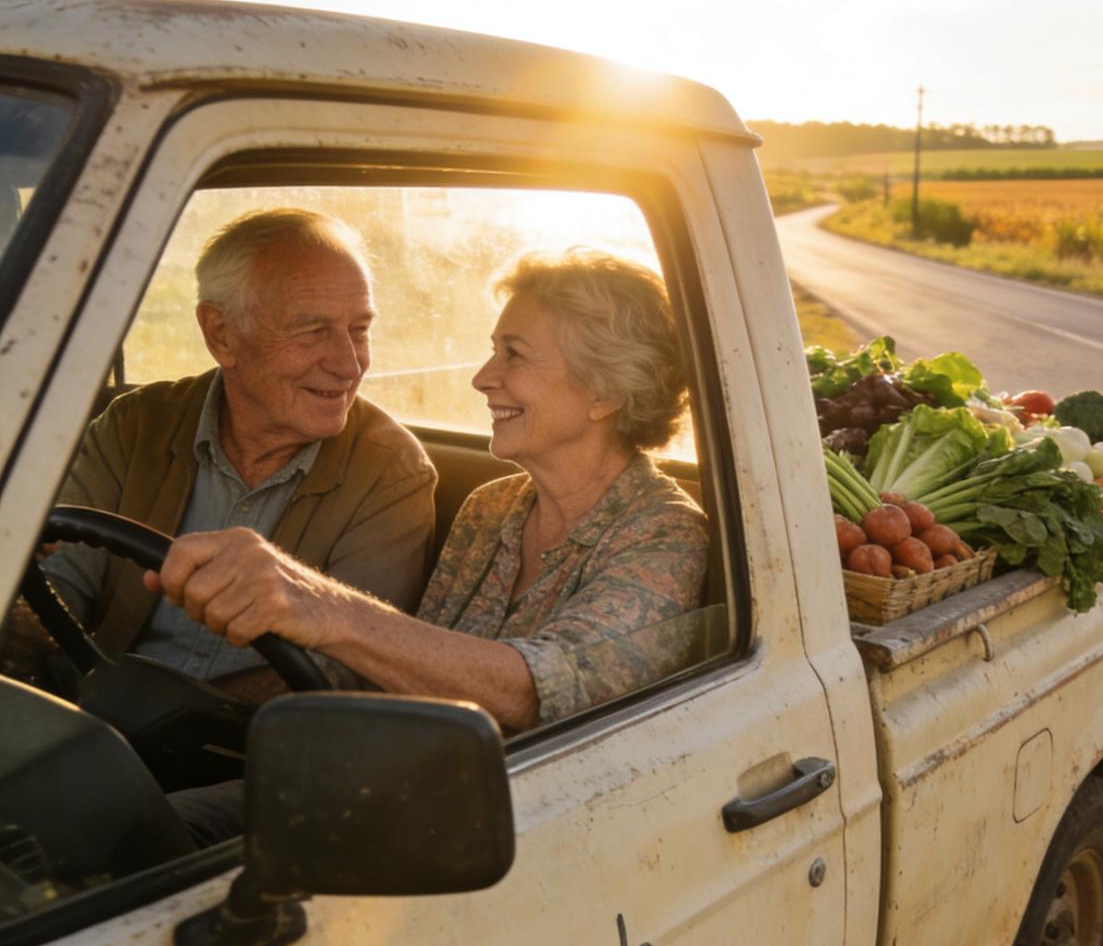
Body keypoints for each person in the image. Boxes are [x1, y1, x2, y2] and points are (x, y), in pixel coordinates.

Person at [149, 251, 709, 739]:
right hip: (401, 773)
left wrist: (323, 607)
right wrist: (201, 707)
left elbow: (537, 692)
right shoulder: (492, 507)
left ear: (605, 391)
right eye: (493, 351)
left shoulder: (664, 531)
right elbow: (409, 678)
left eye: (514, 354)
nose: (482, 377)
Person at [14, 208, 437, 700]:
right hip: (91, 715)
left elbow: (344, 671)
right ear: (221, 334)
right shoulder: (134, 425)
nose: (349, 364)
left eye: (360, 329)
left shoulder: (391, 474)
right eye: (313, 330)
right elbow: (55, 593)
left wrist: (175, 712)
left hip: (254, 738)